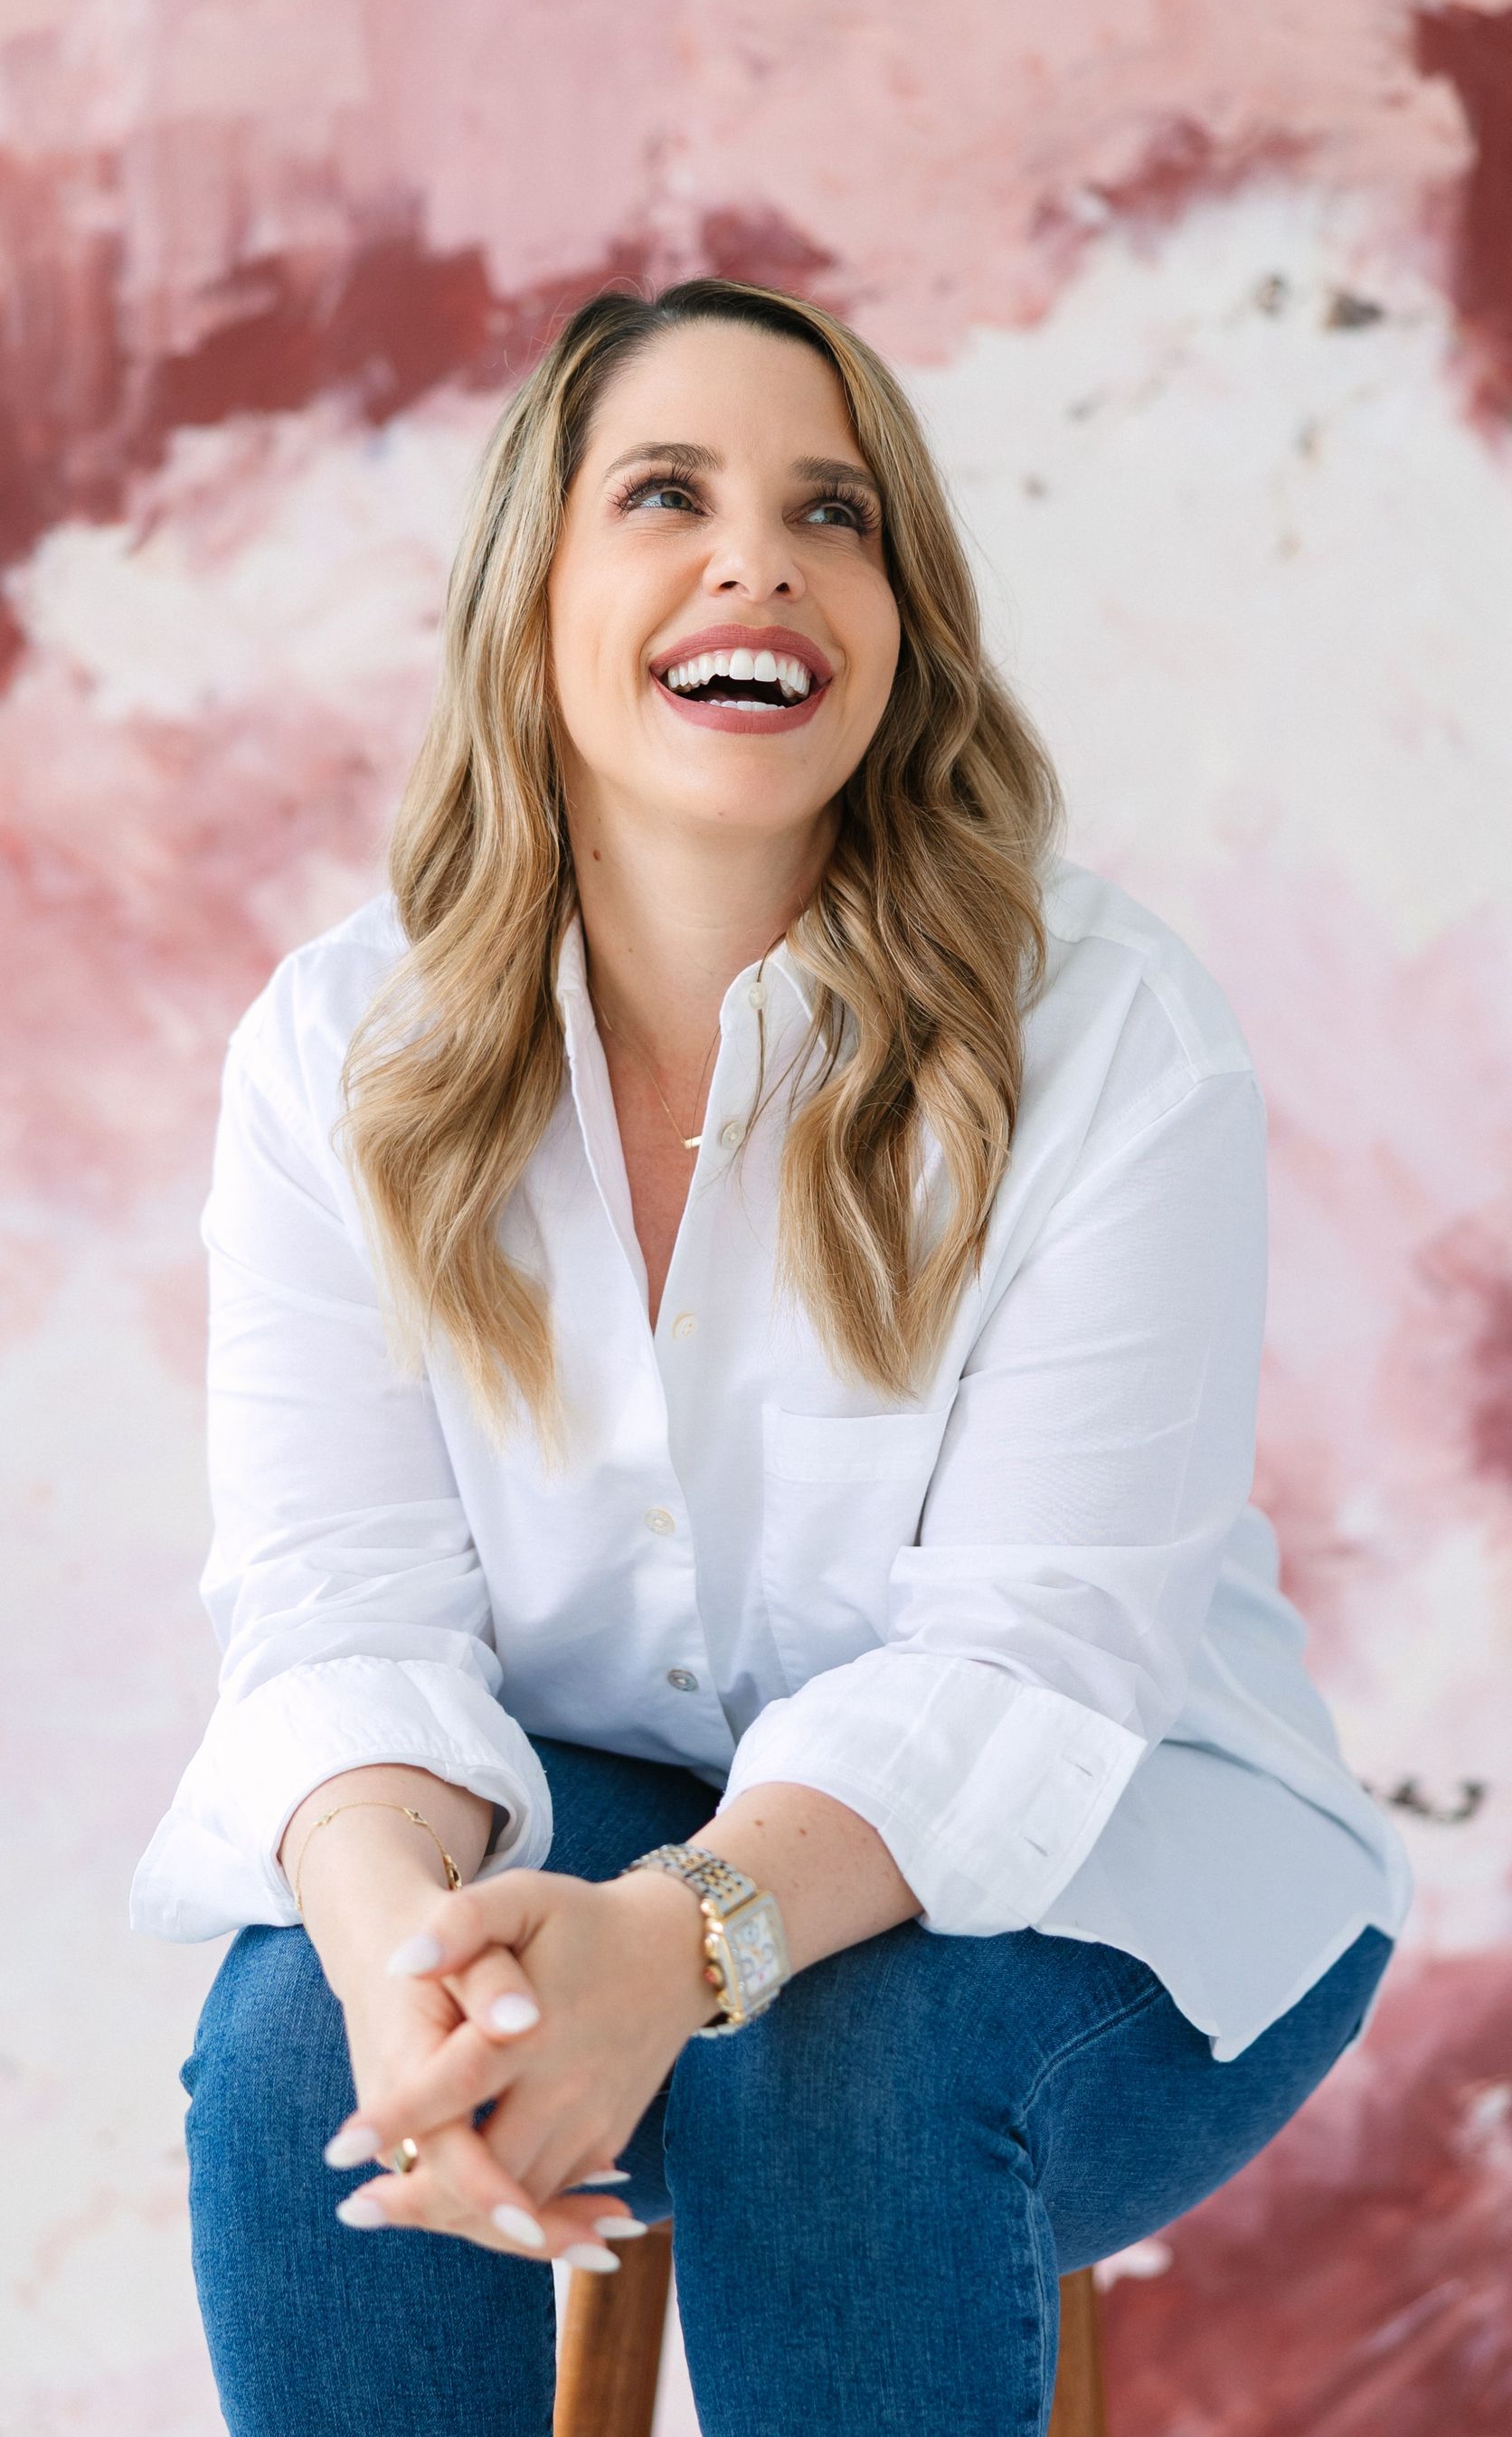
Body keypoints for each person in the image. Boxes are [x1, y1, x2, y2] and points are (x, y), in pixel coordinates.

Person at [129, 277, 1410, 2437]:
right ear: (530, 596)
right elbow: (334, 1608)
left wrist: (675, 1947)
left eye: (835, 512)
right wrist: (396, 1973)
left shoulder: (1104, 1035)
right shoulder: (339, 1053)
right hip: (616, 1784)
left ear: (896, 626)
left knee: (835, 2072)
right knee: (283, 2048)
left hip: (1121, 1855)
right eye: (667, 493)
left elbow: (1029, 1660)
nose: (762, 559)